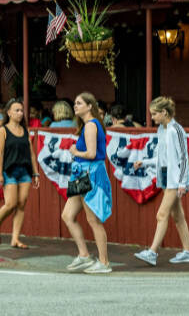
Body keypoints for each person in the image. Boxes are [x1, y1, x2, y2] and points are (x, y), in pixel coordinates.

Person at [134, 96, 189, 266]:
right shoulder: (162, 129)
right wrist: (145, 162)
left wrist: (182, 182)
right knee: (178, 216)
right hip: (167, 176)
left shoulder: (176, 130)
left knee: (162, 214)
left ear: (164, 112)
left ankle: (152, 252)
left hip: (175, 180)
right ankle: (188, 252)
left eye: (154, 114)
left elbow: (183, 158)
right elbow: (163, 157)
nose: (152, 118)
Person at [61, 92, 113, 274]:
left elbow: (91, 154)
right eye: (74, 103)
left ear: (90, 106)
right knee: (68, 215)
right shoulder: (88, 125)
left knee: (93, 220)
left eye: (79, 103)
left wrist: (75, 151)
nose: (75, 106)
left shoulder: (91, 126)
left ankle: (104, 262)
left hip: (89, 174)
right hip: (81, 174)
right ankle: (84, 255)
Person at [0, 98, 39, 249]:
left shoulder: (25, 130)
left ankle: (15, 238)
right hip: (9, 170)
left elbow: (31, 154)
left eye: (21, 110)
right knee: (10, 203)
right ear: (9, 112)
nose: (20, 113)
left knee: (22, 204)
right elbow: (0, 154)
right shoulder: (3, 130)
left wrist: (35, 173)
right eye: (16, 110)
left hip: (24, 171)